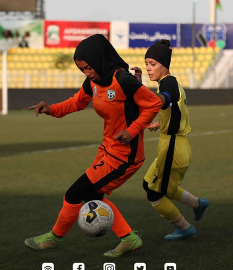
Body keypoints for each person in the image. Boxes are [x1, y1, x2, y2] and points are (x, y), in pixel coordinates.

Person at [25, 34, 162, 257]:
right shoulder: (93, 82)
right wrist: (51, 109)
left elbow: (153, 103)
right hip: (107, 151)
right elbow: (77, 102)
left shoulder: (124, 81)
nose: (87, 73)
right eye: (82, 70)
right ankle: (129, 239)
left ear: (100, 59)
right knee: (92, 196)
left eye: (88, 67)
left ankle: (53, 238)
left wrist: (132, 130)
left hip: (125, 157)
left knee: (74, 193)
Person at [132, 39, 209, 240]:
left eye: (153, 64)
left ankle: (184, 228)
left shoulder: (168, 83)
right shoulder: (170, 82)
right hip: (173, 144)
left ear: (164, 65)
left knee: (155, 193)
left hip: (173, 148)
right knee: (151, 184)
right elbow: (175, 110)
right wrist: (159, 123)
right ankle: (197, 203)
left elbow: (166, 98)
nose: (149, 68)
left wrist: (147, 96)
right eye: (147, 63)